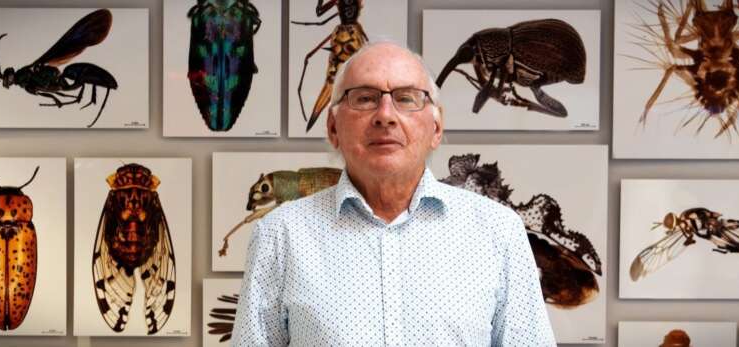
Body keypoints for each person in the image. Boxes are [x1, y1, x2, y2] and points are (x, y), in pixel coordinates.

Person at [232, 41, 555, 346]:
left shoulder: (498, 231)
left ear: (436, 129)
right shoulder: (279, 235)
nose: (385, 115)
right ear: (333, 128)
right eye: (364, 97)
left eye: (406, 98)